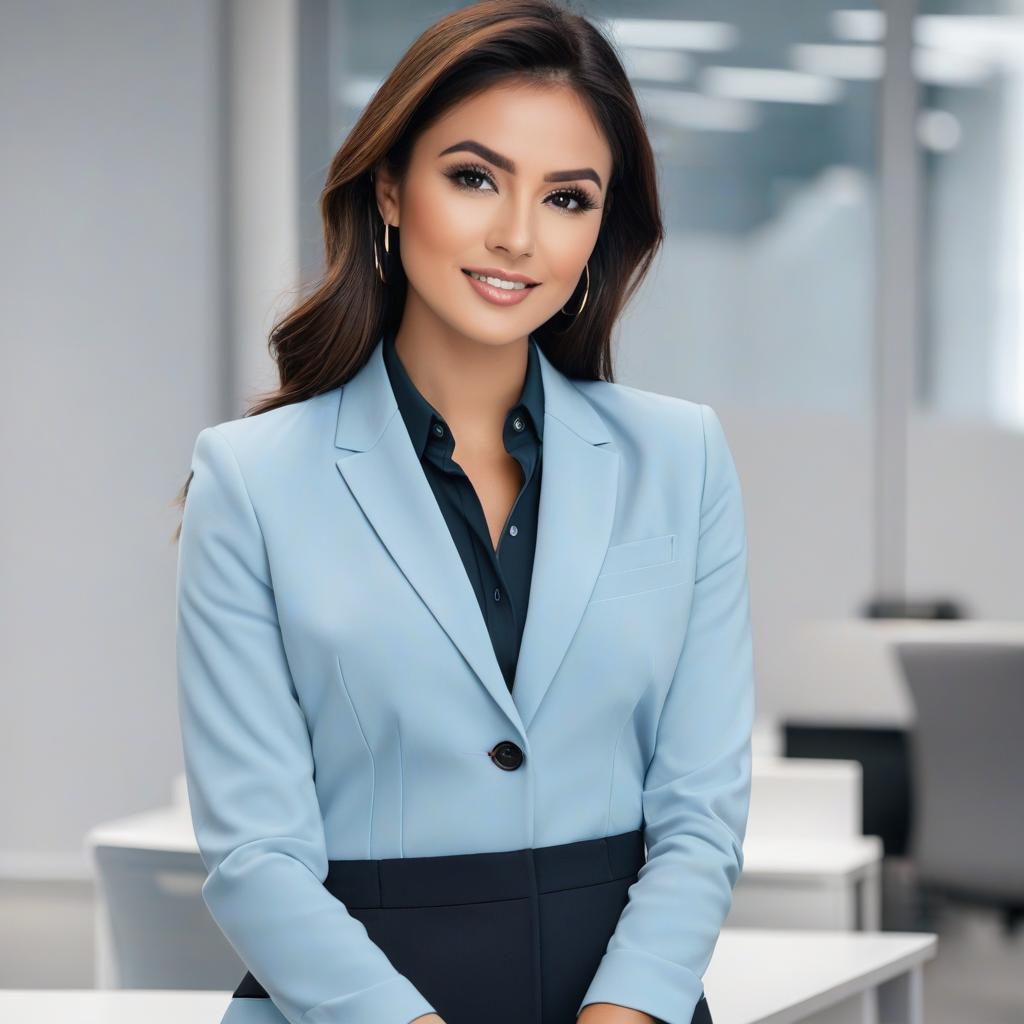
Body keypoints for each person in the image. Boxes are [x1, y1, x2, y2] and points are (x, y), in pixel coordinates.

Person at [173, 2, 755, 1023]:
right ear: (390, 189)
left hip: (621, 1004)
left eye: (567, 198)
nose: (518, 236)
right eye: (475, 177)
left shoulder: (681, 457)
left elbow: (700, 815)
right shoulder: (249, 478)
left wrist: (622, 1014)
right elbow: (253, 852)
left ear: (601, 229)